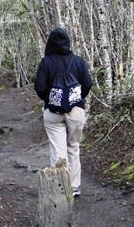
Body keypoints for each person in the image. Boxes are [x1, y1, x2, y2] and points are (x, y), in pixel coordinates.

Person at [34, 27, 93, 197]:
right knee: (73, 147)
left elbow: (39, 87)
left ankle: (60, 187)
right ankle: (74, 187)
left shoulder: (46, 62)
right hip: (76, 110)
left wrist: (49, 99)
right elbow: (87, 83)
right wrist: (77, 98)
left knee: (58, 149)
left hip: (53, 113)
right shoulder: (78, 61)